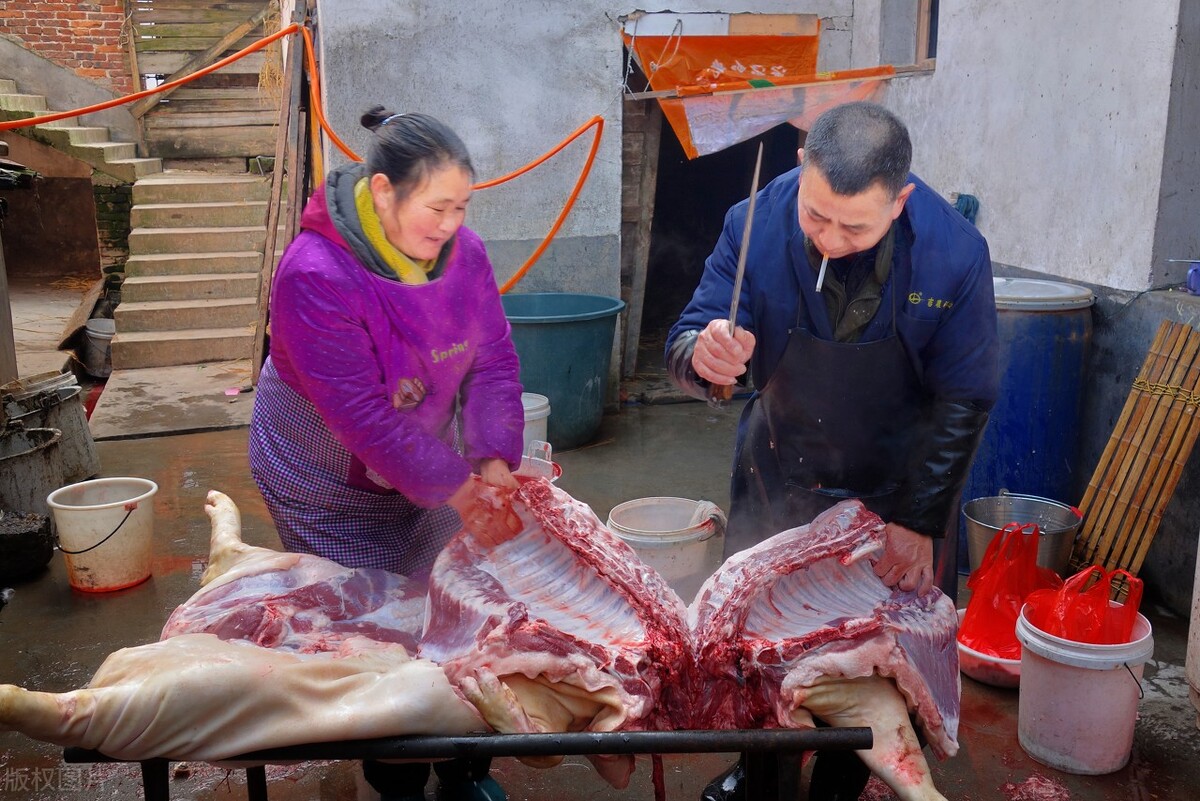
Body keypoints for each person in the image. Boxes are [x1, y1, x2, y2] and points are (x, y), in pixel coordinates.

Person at [665, 101, 999, 801]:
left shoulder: (955, 253)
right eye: (816, 217)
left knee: (875, 654)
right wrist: (704, 354)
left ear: (900, 201)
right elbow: (692, 333)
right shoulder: (753, 223)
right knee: (760, 647)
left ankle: (840, 784)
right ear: (801, 167)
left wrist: (918, 519)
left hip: (899, 482)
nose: (832, 240)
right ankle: (761, 769)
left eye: (855, 226)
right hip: (778, 465)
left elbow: (963, 399)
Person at [248, 107, 521, 801]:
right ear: (382, 192)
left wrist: (493, 458)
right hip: (328, 473)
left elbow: (491, 358)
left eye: (461, 207)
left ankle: (464, 767)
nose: (450, 225)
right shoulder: (314, 274)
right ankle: (395, 778)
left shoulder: (464, 255)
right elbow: (364, 419)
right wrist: (460, 488)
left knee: (459, 604)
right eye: (436, 207)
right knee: (373, 634)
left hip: (430, 457)